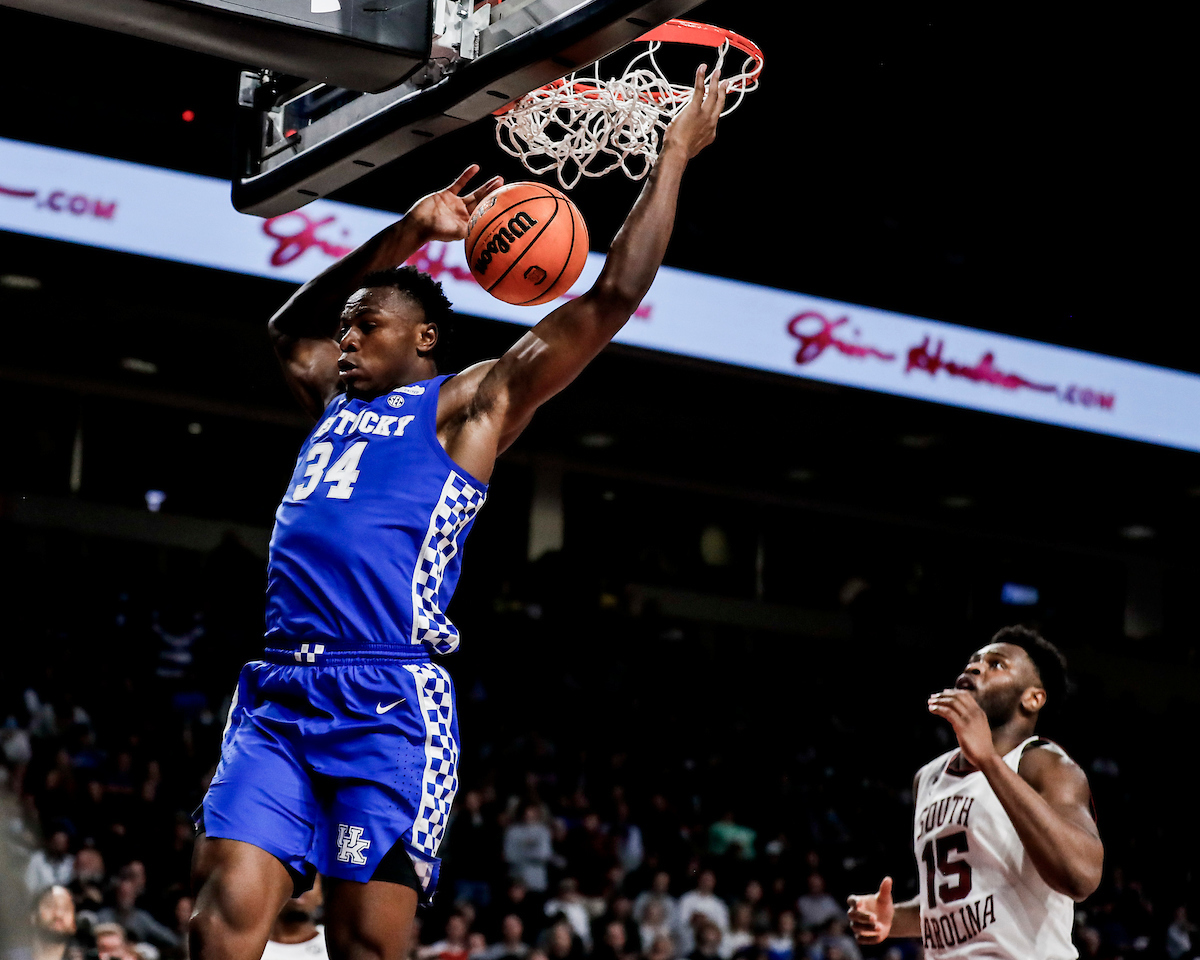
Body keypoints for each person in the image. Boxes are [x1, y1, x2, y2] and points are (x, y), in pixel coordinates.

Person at [188, 55, 728, 960]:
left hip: (388, 699)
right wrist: (410, 230)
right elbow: (290, 329)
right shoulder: (335, 399)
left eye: (367, 326)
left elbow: (611, 298)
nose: (346, 339)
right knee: (219, 921)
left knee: (365, 946)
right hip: (279, 687)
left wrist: (671, 159)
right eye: (346, 327)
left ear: (424, 338)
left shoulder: (470, 406)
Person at [846, 626, 1103, 958]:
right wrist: (892, 919)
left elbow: (1081, 878)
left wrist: (989, 761)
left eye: (996, 664)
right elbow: (960, 901)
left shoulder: (1044, 764)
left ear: (1032, 698)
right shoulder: (928, 777)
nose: (976, 667)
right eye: (974, 662)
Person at [261, 880, 328, 960]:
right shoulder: (252, 944)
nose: (301, 887)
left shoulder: (335, 943)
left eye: (311, 879)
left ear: (321, 895)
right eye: (294, 878)